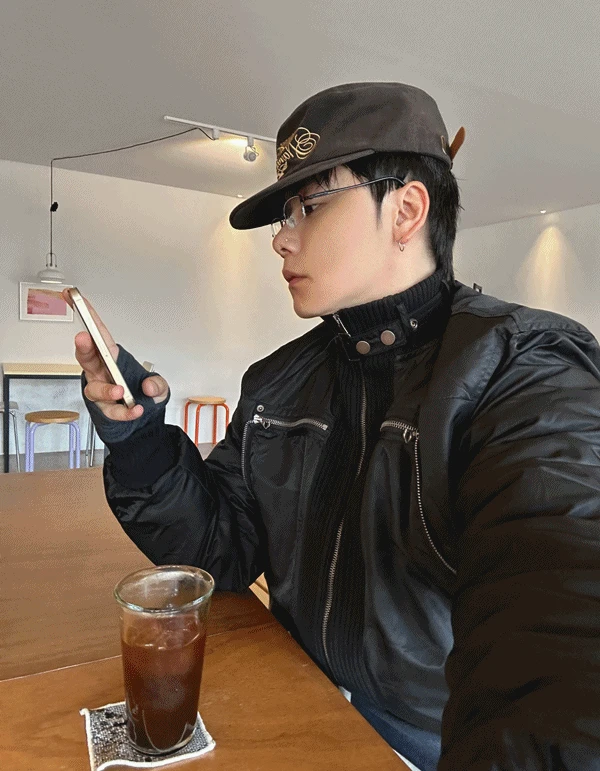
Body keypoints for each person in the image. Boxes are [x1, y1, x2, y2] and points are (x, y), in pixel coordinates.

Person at [65, 82, 600, 771]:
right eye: (284, 213)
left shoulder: (525, 367)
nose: (281, 238)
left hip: (425, 743)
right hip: (286, 696)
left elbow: (558, 633)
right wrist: (139, 438)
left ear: (406, 210)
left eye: (309, 207)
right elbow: (219, 551)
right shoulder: (278, 380)